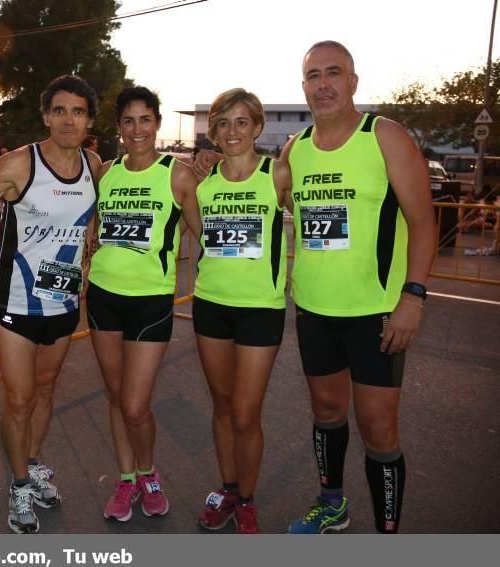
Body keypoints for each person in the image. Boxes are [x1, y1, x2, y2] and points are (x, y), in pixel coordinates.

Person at [283, 41, 436, 533]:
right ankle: (333, 505)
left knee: (378, 429)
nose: (322, 84)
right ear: (303, 85)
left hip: (376, 313)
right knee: (326, 410)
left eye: (333, 73)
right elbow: (267, 199)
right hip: (314, 309)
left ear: (353, 81)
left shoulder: (384, 135)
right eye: (313, 75)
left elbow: (424, 221)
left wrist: (412, 297)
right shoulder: (295, 149)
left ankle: (386, 535)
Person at [0, 75, 101, 534]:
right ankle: (17, 486)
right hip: (17, 300)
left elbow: (92, 217)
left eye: (77, 111)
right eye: (59, 110)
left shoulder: (95, 164)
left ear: (89, 119)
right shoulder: (18, 164)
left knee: (45, 392)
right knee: (17, 399)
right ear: (45, 116)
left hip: (62, 302)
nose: (68, 119)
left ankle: (32, 465)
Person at [87, 86, 200, 522]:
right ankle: (126, 478)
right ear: (119, 127)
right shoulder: (106, 174)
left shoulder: (178, 174)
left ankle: (149, 473)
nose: (137, 129)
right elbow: (93, 227)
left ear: (157, 123)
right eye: (129, 121)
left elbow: (206, 235)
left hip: (151, 301)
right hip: (103, 297)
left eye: (146, 120)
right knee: (116, 397)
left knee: (136, 403)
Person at [191, 89, 291, 534]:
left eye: (241, 122)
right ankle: (228, 487)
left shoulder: (278, 175)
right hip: (211, 303)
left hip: (260, 309)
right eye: (223, 123)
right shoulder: (202, 181)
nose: (232, 132)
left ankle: (246, 500)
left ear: (257, 127)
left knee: (247, 414)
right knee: (222, 404)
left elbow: (319, 220)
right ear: (213, 130)